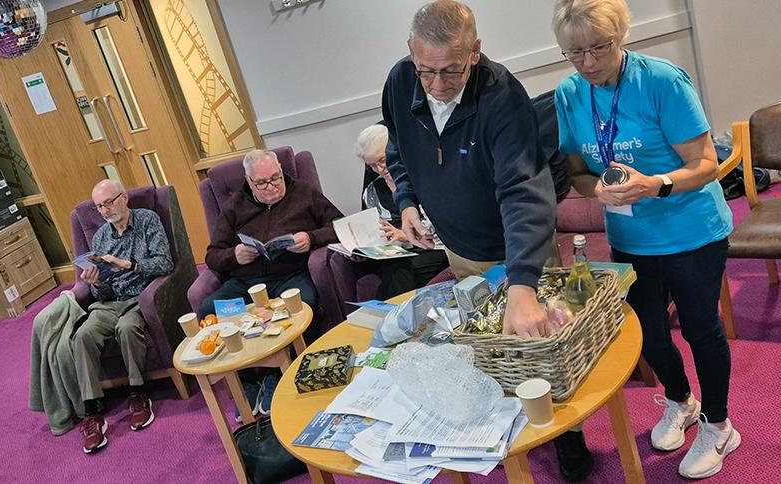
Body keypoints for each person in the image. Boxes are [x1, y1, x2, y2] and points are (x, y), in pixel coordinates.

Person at [382, 1, 591, 480]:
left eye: (450, 71)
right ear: (410, 54)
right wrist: (408, 202)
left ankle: (569, 440)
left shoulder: (501, 95)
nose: (436, 85)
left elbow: (524, 192)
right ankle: (507, 437)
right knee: (489, 353)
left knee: (542, 351)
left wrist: (521, 285)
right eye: (425, 71)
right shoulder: (400, 81)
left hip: (518, 248)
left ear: (475, 52)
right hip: (460, 247)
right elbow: (398, 145)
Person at [551, 0, 738, 479]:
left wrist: (655, 184)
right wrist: (597, 187)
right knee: (648, 335)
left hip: (691, 230)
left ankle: (719, 427)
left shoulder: (661, 81)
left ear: (623, 36)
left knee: (700, 329)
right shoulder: (569, 93)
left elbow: (705, 164)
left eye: (600, 47)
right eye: (576, 53)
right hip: (631, 237)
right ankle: (681, 402)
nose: (589, 63)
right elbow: (576, 170)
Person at [72, 180, 174, 454]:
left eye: (109, 202)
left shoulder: (146, 220)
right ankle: (93, 412)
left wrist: (127, 264)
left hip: (139, 297)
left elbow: (165, 263)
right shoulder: (100, 237)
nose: (104, 211)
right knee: (82, 335)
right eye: (99, 207)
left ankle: (138, 394)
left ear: (124, 198)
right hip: (110, 302)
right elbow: (101, 291)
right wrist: (96, 282)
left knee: (128, 328)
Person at [199, 149, 343, 318]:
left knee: (303, 304)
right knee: (210, 309)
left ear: (281, 170)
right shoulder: (234, 206)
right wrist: (235, 255)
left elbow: (340, 226)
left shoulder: (304, 192)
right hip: (245, 284)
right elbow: (212, 256)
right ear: (249, 181)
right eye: (262, 183)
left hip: (291, 276)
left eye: (275, 178)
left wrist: (311, 238)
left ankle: (301, 345)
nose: (271, 187)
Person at [345, 123, 449, 299]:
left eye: (383, 160)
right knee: (395, 265)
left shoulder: (423, 179)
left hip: (432, 248)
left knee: (396, 271)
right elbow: (374, 233)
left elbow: (446, 225)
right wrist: (361, 249)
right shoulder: (372, 191)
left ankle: (389, 313)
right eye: (372, 166)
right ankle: (400, 315)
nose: (380, 169)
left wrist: (404, 235)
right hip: (395, 254)